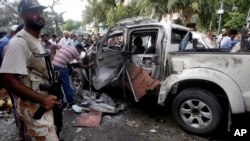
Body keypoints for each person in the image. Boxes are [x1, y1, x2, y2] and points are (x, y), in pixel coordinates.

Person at [0, 0, 60, 140]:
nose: (39, 15)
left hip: (44, 103)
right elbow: (7, 79)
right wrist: (42, 99)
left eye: (40, 11)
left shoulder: (35, 40)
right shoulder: (19, 43)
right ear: (23, 15)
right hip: (34, 106)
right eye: (34, 12)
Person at [52, 44, 92, 113]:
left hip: (54, 66)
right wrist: (90, 65)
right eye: (80, 51)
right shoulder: (76, 52)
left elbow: (53, 46)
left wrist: (52, 57)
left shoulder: (66, 46)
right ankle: (71, 103)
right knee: (66, 86)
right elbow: (82, 66)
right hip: (61, 67)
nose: (80, 53)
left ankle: (61, 102)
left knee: (58, 85)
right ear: (78, 49)